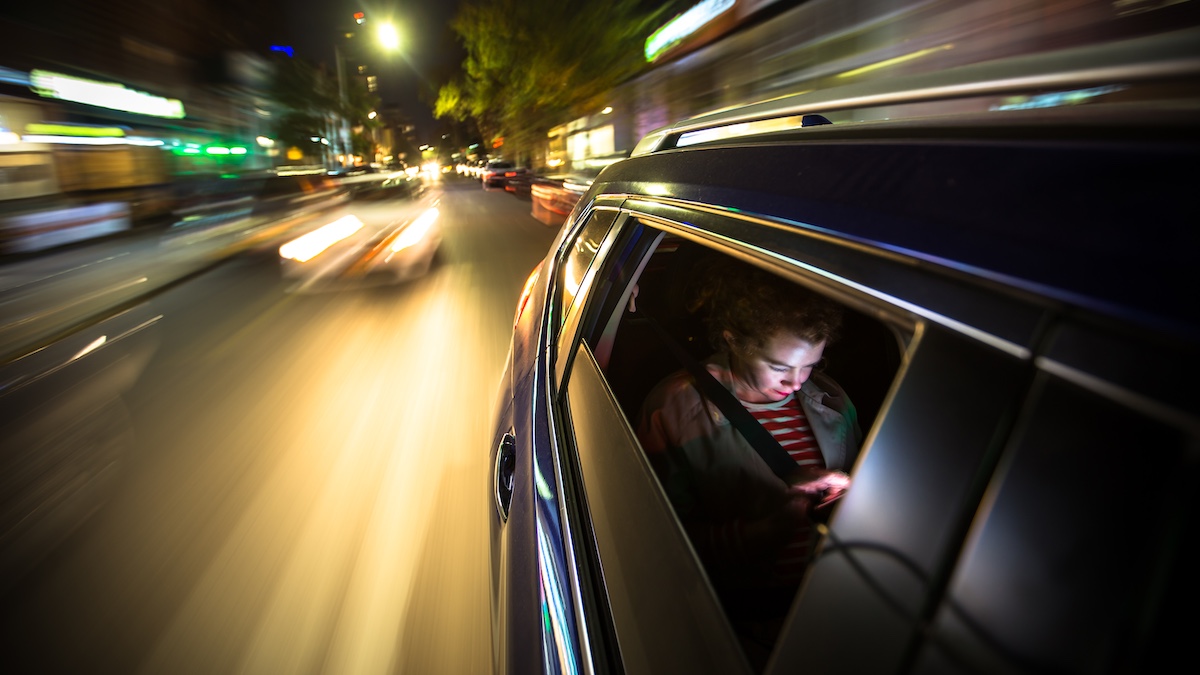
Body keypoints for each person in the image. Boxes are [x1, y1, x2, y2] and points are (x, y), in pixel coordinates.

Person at [636, 259, 861, 656]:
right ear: (734, 341)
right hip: (736, 628)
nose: (796, 383)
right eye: (779, 367)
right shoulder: (673, 410)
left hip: (832, 617)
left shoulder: (833, 402)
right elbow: (660, 546)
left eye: (811, 365)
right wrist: (764, 532)